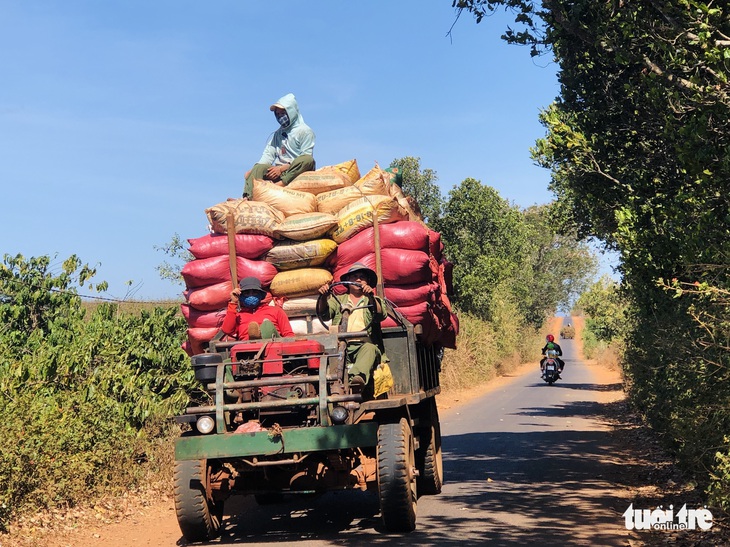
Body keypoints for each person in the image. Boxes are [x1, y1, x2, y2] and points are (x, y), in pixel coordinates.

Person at [318, 263, 388, 388]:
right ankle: (331, 386)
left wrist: (370, 296)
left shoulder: (372, 300)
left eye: (362, 277)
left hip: (362, 347)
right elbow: (325, 314)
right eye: (354, 276)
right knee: (329, 354)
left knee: (370, 349)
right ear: (348, 281)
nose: (358, 279)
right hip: (340, 346)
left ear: (367, 282)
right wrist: (323, 297)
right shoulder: (338, 299)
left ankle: (356, 379)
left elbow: (380, 314)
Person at [243, 93, 316, 198]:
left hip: (294, 171)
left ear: (292, 112)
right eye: (278, 114)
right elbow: (267, 156)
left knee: (307, 160)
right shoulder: (277, 134)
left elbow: (305, 157)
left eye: (283, 113)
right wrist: (253, 172)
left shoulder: (305, 131)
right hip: (277, 173)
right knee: (258, 168)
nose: (280, 117)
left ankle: (280, 185)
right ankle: (248, 197)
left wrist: (282, 169)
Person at [221, 277, 294, 340]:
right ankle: (255, 339)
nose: (251, 296)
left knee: (268, 326)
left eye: (255, 293)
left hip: (273, 347)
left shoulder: (276, 310)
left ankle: (263, 336)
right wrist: (233, 303)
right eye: (247, 293)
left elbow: (288, 334)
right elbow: (227, 330)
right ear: (241, 297)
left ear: (260, 295)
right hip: (247, 351)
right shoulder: (238, 316)